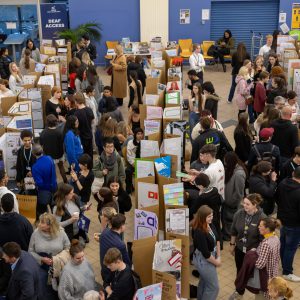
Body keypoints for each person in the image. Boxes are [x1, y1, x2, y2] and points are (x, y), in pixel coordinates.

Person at [229, 194, 266, 299]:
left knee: (254, 274)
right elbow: (233, 231)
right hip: (240, 249)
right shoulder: (239, 214)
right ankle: (239, 292)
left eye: (247, 204)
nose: (244, 206)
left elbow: (263, 239)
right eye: (243, 203)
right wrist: (232, 245)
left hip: (254, 253)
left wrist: (257, 251)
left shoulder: (262, 218)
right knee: (240, 271)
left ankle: (257, 294)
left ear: (255, 205)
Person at [29, 213, 70, 299]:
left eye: (42, 222)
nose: (39, 224)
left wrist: (56, 259)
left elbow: (68, 248)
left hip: (59, 268)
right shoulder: (36, 233)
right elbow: (30, 251)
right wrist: (41, 259)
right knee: (44, 293)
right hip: (41, 268)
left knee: (59, 292)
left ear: (50, 225)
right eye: (40, 221)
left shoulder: (61, 233)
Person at [276, 166, 300, 282]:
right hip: (294, 225)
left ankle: (284, 265)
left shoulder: (283, 183)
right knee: (290, 248)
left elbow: (277, 199)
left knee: (283, 244)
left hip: (282, 220)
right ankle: (287, 272)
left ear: (293, 173)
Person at [192, 205, 221, 300]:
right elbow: (206, 254)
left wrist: (219, 256)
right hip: (204, 260)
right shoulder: (199, 231)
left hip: (211, 256)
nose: (211, 218)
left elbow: (217, 239)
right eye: (209, 216)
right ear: (202, 217)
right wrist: (217, 262)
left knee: (204, 282)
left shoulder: (210, 224)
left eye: (212, 215)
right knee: (214, 287)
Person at [99, 214, 131, 285]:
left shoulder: (104, 232)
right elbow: (127, 262)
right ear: (121, 227)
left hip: (104, 269)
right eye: (124, 224)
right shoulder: (120, 244)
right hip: (112, 274)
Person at [222, 152, 247, 241]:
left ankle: (229, 236)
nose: (224, 163)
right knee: (226, 220)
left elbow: (239, 192)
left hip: (232, 203)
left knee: (230, 221)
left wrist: (232, 202)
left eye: (226, 161)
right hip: (227, 201)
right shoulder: (231, 169)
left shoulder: (239, 174)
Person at [189, 173, 222, 239]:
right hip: (215, 215)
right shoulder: (215, 190)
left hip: (206, 219)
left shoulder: (202, 198)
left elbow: (193, 210)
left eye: (197, 185)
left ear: (201, 186)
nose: (196, 186)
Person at [254, 217, 281, 299]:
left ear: (267, 228)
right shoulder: (276, 237)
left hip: (265, 276)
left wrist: (251, 261)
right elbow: (277, 257)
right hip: (274, 273)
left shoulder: (266, 243)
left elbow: (260, 265)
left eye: (261, 225)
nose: (258, 227)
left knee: (262, 296)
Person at [31, 144, 57, 217]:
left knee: (42, 213)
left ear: (33, 153)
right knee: (54, 209)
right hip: (54, 187)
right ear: (42, 150)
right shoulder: (49, 158)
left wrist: (34, 182)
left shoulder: (35, 167)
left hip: (44, 192)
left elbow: (40, 183)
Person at [40, 114, 67, 183]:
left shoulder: (43, 132)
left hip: (49, 155)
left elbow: (41, 143)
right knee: (61, 167)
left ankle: (54, 184)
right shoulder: (59, 132)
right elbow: (62, 144)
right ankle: (65, 181)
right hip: (59, 154)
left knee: (52, 170)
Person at [74, 92, 94, 160]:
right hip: (89, 134)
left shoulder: (76, 113)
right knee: (90, 153)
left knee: (83, 156)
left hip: (81, 137)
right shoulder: (89, 110)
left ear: (76, 101)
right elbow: (92, 122)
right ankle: (90, 168)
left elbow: (76, 126)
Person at [125, 128, 144, 194]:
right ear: (135, 135)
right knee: (128, 171)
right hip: (133, 162)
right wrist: (134, 163)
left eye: (141, 134)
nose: (140, 135)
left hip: (143, 162)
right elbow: (129, 156)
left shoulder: (145, 142)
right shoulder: (130, 143)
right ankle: (129, 189)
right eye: (138, 134)